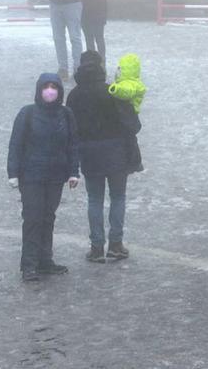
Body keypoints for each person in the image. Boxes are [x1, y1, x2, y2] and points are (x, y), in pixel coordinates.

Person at [7, 73, 80, 282]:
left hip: (55, 176)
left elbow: (73, 145)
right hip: (31, 176)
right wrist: (13, 172)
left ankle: (45, 260)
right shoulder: (27, 114)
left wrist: (74, 171)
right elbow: (16, 144)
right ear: (39, 90)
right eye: (46, 87)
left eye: (54, 87)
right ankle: (29, 264)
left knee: (48, 218)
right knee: (33, 219)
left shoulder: (66, 115)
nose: (50, 91)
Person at [67, 51, 134, 263]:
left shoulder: (74, 96)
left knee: (94, 199)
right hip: (116, 153)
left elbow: (70, 130)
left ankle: (96, 248)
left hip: (89, 154)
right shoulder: (112, 92)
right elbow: (132, 125)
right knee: (118, 197)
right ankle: (115, 245)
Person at [108, 53, 146, 173]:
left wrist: (114, 89)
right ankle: (135, 162)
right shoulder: (132, 82)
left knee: (129, 138)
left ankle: (135, 163)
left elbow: (127, 92)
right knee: (130, 138)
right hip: (129, 113)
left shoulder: (129, 84)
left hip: (128, 113)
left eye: (120, 68)